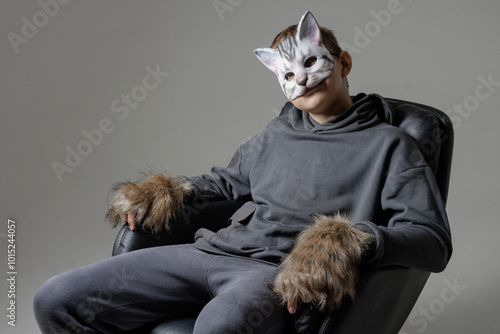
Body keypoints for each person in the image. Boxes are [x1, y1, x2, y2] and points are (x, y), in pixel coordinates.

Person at [33, 11, 452, 334]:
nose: (302, 80)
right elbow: (225, 182)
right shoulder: (277, 132)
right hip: (209, 253)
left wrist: (350, 241)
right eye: (288, 75)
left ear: (343, 61)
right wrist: (162, 192)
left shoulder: (390, 144)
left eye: (311, 62)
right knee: (56, 299)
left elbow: (432, 241)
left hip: (274, 275)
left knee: (220, 327)